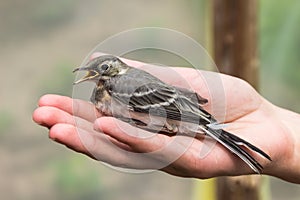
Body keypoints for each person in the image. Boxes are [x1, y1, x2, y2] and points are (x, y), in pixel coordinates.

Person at [32, 55, 300, 184]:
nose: (96, 74)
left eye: (102, 69)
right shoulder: (111, 87)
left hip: (183, 117)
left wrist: (198, 120)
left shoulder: (119, 86)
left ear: (115, 69)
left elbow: (167, 108)